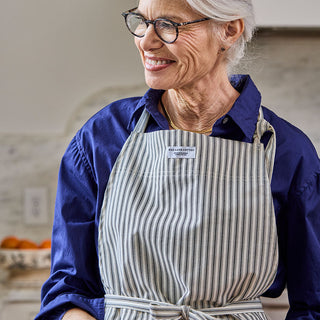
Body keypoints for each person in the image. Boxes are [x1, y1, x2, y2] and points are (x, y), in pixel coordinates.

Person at [35, 0, 320, 319]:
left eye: (169, 25)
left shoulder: (286, 152)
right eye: (141, 21)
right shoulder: (103, 138)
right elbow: (68, 290)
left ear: (229, 30)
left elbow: (313, 304)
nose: (146, 40)